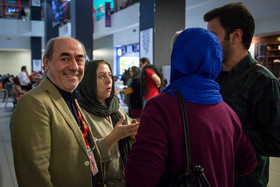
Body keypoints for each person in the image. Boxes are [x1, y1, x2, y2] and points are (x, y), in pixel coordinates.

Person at [125, 28, 257, 187]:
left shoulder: (160, 108)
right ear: (216, 61)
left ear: (178, 57)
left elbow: (139, 178)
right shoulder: (228, 113)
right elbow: (248, 162)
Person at [204, 2, 280, 186]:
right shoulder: (213, 76)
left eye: (213, 36)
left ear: (236, 36)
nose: (208, 43)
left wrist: (226, 133)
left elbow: (275, 142)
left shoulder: (263, 82)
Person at [10, 37, 100, 187]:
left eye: (79, 59)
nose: (74, 66)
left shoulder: (71, 98)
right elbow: (35, 176)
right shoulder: (33, 103)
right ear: (46, 62)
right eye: (65, 58)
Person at [78, 60, 139, 187]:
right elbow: (84, 157)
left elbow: (130, 134)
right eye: (101, 76)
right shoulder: (80, 111)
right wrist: (114, 136)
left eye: (110, 75)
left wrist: (133, 134)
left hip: (125, 178)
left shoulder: (114, 106)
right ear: (88, 81)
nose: (108, 80)